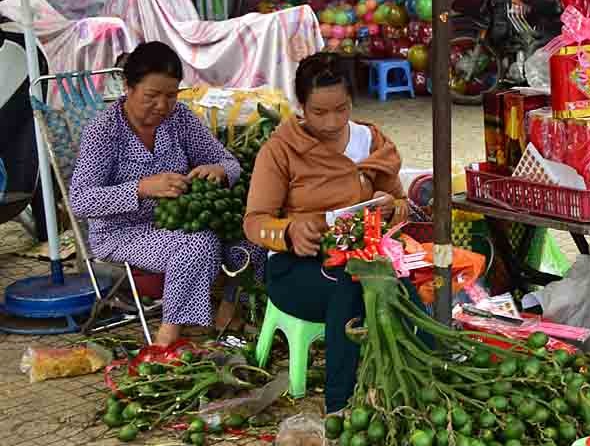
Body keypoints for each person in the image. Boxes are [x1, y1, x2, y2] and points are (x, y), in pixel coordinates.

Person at [70, 41, 266, 346]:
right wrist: (141, 188)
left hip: (181, 220)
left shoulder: (180, 119)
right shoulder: (104, 130)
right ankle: (167, 337)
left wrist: (219, 171)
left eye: (171, 96)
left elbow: (228, 161)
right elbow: (81, 200)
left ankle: (229, 311)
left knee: (253, 233)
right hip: (122, 232)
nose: (162, 105)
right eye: (151, 96)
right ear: (128, 86)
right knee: (198, 243)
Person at [244, 53, 409, 412]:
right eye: (319, 112)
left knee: (412, 289)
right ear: (300, 106)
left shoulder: (371, 142)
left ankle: (414, 390)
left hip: (363, 258)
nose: (332, 122)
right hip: (295, 269)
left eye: (342, 108)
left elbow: (401, 204)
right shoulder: (281, 150)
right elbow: (254, 221)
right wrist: (288, 232)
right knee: (348, 289)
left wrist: (389, 205)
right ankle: (341, 406)